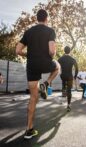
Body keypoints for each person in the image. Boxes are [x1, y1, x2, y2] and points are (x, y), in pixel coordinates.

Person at [16, 9, 59, 139]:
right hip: (45, 63)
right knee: (57, 67)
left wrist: (28, 54)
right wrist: (54, 53)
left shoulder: (28, 32)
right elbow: (52, 51)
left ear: (37, 18)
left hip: (32, 66)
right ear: (46, 19)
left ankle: (29, 130)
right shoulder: (50, 31)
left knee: (33, 99)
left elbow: (18, 50)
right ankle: (46, 83)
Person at [58, 46, 78, 112]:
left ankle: (64, 88)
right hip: (69, 76)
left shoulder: (60, 59)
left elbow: (57, 67)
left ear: (64, 50)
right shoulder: (72, 59)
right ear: (70, 51)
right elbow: (76, 68)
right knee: (69, 91)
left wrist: (60, 74)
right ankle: (68, 105)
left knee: (64, 85)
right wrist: (75, 76)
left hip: (63, 76)